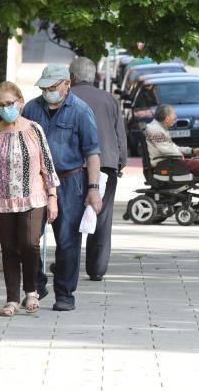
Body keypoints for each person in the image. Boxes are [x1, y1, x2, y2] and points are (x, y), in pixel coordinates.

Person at [23, 63, 102, 311]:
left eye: (53, 86)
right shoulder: (31, 109)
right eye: (44, 86)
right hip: (36, 181)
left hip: (70, 182)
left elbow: (92, 153)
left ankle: (65, 293)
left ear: (67, 84)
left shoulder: (80, 111)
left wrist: (93, 188)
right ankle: (36, 282)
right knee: (29, 238)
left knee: (67, 240)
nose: (48, 91)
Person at [0, 81, 59, 316]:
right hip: (0, 201)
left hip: (33, 198)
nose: (5, 108)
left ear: (20, 102)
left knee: (29, 244)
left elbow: (47, 166)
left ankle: (31, 291)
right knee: (10, 248)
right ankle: (12, 298)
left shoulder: (34, 130)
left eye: (9, 103)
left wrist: (52, 196)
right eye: (0, 105)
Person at [69, 57, 128, 282]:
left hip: (73, 167)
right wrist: (119, 162)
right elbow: (119, 135)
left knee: (70, 217)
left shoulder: (67, 98)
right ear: (94, 77)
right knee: (102, 217)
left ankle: (68, 264)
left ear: (71, 77)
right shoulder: (109, 100)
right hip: (106, 165)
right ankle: (97, 269)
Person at [143, 105, 199, 214]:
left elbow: (173, 148)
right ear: (166, 118)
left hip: (170, 162)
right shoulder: (155, 129)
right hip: (167, 164)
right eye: (173, 116)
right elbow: (168, 150)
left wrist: (192, 151)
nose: (174, 119)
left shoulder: (158, 128)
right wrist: (186, 157)